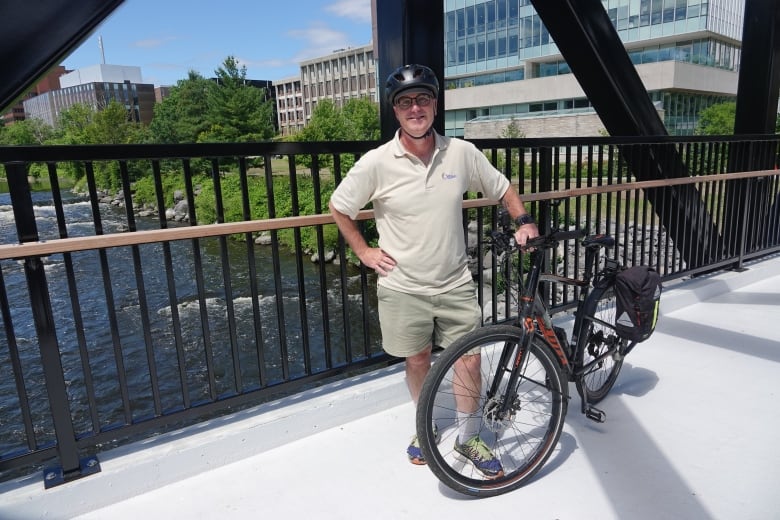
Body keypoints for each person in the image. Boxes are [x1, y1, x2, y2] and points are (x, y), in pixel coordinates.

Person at [328, 64, 539, 478]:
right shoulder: (376, 162)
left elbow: (502, 188)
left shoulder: (460, 153)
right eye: (405, 102)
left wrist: (523, 221)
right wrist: (363, 251)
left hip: (455, 281)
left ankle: (469, 436)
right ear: (395, 111)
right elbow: (339, 206)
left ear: (436, 105)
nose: (415, 108)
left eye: (423, 99)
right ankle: (424, 426)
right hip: (403, 286)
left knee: (471, 362)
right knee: (417, 359)